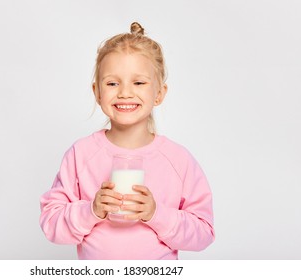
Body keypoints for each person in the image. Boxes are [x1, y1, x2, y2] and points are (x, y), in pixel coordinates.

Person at [39, 22, 215, 260]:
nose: (124, 93)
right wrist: (91, 210)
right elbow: (51, 223)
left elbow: (204, 232)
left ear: (160, 94)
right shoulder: (81, 155)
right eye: (112, 83)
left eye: (139, 82)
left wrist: (156, 214)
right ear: (97, 92)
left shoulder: (178, 160)